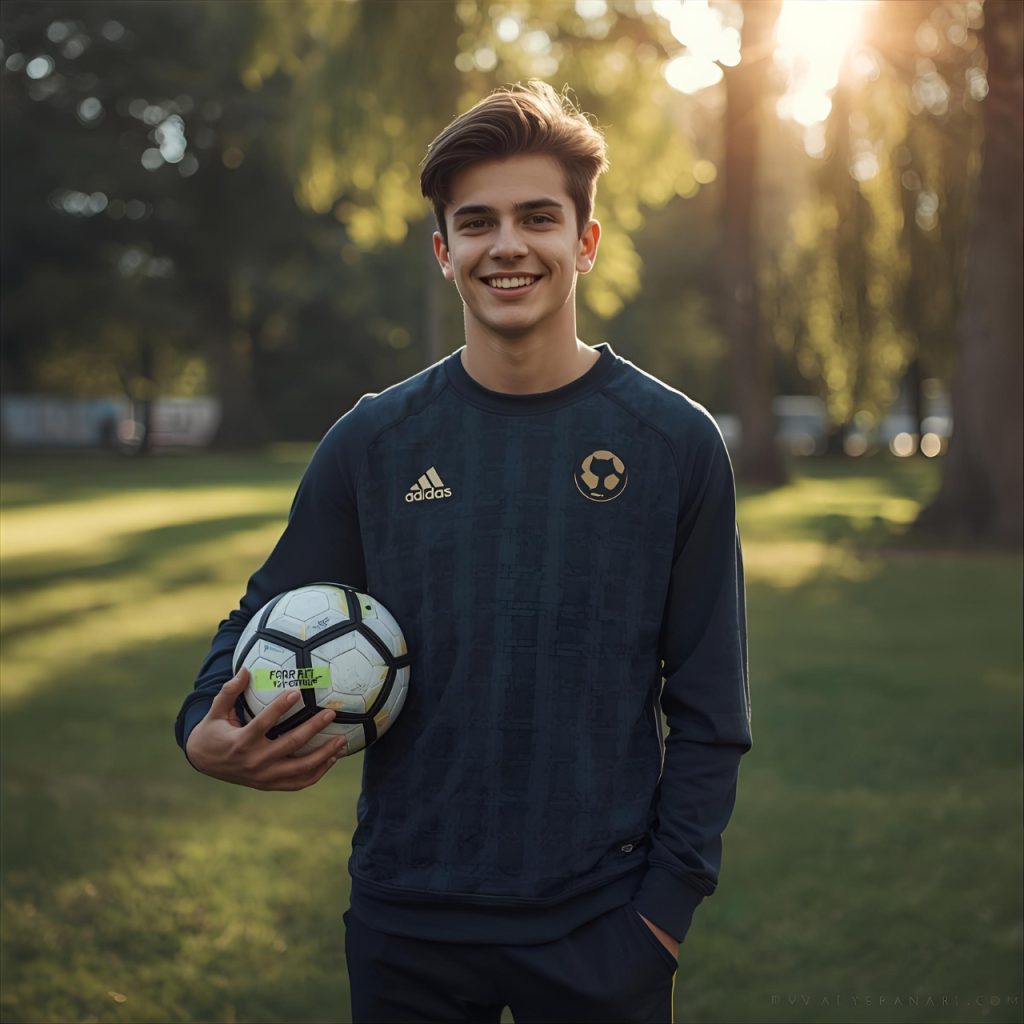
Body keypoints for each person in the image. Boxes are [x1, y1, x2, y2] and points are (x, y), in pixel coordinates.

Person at [176, 80, 751, 1024]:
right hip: (407, 923)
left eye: (538, 217)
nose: (507, 245)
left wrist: (662, 917)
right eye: (477, 223)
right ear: (444, 252)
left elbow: (711, 708)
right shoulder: (373, 442)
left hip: (602, 927)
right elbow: (262, 612)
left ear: (586, 241)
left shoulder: (674, 443)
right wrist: (201, 726)